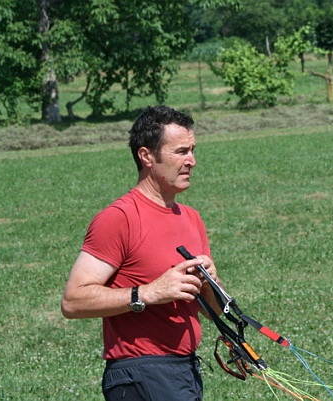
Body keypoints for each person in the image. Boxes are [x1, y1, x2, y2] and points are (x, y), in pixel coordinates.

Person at [61, 105, 223, 401]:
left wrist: (211, 283)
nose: (192, 161)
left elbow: (211, 311)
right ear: (147, 156)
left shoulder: (191, 218)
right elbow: (73, 301)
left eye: (192, 150)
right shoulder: (119, 218)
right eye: (181, 152)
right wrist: (146, 293)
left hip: (185, 369)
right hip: (140, 373)